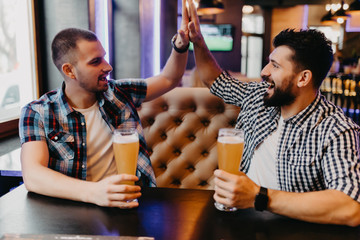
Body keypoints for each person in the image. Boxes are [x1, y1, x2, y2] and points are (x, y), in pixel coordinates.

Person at [185, 0, 360, 226]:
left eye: (275, 66)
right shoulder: (258, 96)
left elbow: (351, 207)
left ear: (303, 78)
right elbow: (214, 80)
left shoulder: (336, 129)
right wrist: (198, 41)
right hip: (238, 220)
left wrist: (260, 197)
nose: (263, 72)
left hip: (293, 230)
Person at [19, 0, 191, 209]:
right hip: (72, 212)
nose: (108, 66)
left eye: (104, 58)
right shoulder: (37, 112)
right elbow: (33, 175)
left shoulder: (120, 93)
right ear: (69, 70)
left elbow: (168, 79)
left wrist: (180, 46)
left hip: (131, 205)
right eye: (95, 61)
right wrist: (95, 193)